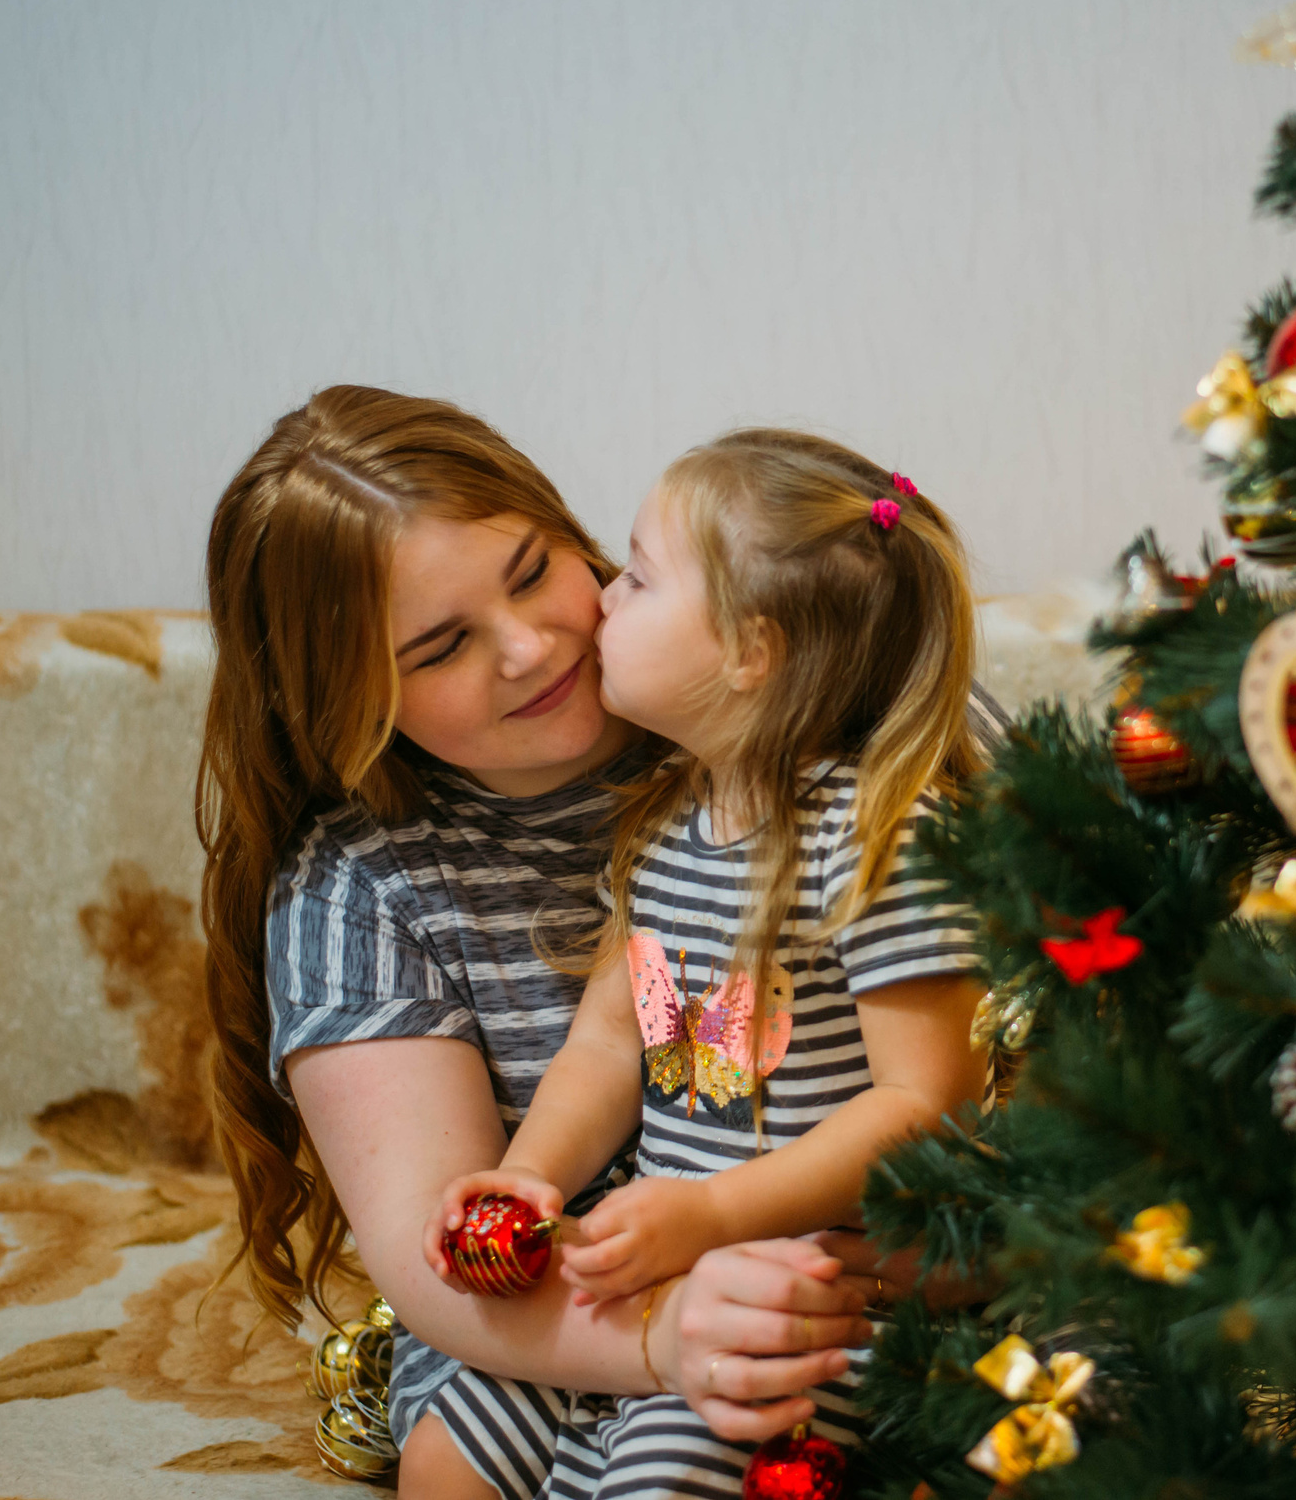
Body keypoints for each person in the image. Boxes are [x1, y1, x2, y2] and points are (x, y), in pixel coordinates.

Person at [199, 388, 902, 1500]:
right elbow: (440, 1260)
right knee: (449, 1468)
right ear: (344, 702)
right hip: (536, 1318)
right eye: (440, 646)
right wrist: (663, 1333)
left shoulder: (788, 725)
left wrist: (901, 1264)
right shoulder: (361, 887)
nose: (529, 647)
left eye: (533, 570)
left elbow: (1003, 1060)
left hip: (833, 1251)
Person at [420, 429, 991, 1496]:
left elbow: (930, 1099)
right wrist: (533, 1173)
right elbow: (606, 1040)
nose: (598, 600)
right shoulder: (669, 817)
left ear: (747, 651)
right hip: (648, 1263)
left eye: (635, 575)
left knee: (661, 1474)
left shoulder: (875, 832)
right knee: (440, 1457)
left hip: (800, 1296)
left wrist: (717, 1213)